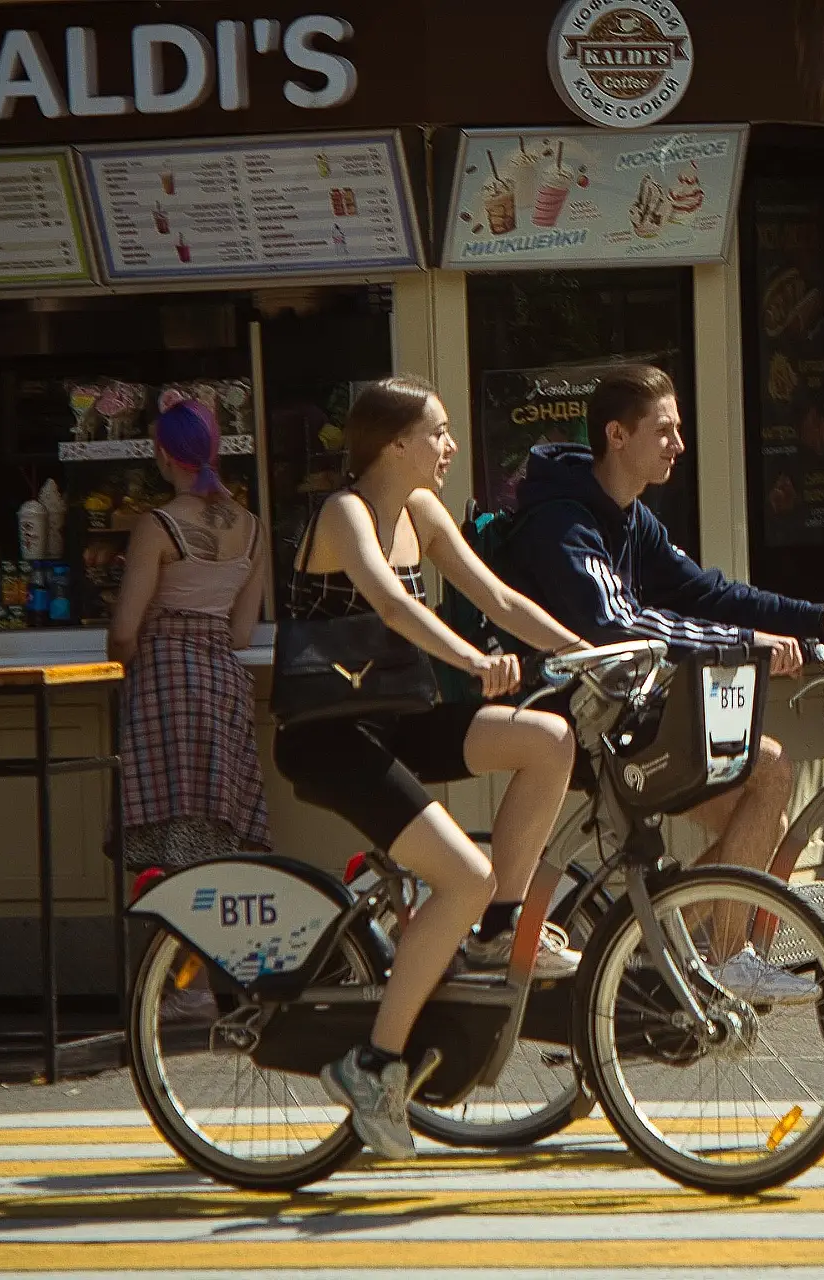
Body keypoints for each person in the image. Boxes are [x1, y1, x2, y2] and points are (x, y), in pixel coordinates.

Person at [273, 375, 586, 1160]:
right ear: (394, 443)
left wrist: (588, 654)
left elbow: (499, 596)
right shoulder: (346, 513)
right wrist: (475, 661)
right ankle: (374, 1063)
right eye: (438, 432)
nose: (450, 446)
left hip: (395, 721)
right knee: (460, 874)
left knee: (548, 740)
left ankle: (500, 928)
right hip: (332, 737)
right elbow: (393, 607)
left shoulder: (419, 508)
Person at [499, 365, 824, 998]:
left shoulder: (630, 517)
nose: (679, 444)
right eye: (665, 430)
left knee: (754, 807)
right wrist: (744, 643)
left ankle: (643, 945)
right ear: (617, 436)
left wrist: (822, 618)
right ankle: (698, 955)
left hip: (616, 709)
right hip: (572, 719)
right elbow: (615, 626)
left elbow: (710, 593)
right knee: (768, 770)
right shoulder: (562, 521)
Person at [110, 399, 270, 875]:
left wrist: (120, 662)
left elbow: (122, 634)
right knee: (216, 832)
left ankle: (175, 938)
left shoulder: (156, 526)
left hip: (163, 682)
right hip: (223, 684)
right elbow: (240, 633)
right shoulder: (252, 528)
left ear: (162, 455)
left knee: (167, 830)